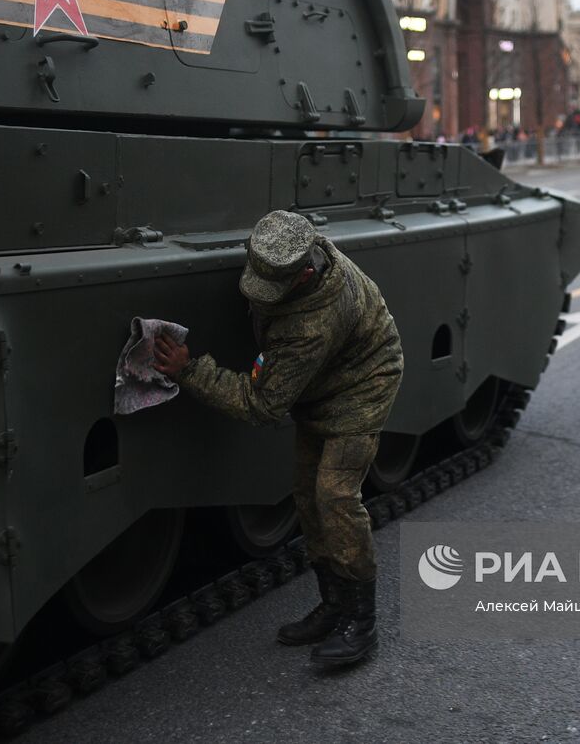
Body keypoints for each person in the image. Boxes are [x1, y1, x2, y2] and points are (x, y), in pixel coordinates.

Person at [153, 210, 404, 666]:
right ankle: (332, 604)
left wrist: (190, 370)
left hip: (362, 386)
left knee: (335, 497)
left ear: (305, 273)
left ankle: (361, 622)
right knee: (306, 496)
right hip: (323, 383)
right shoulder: (300, 249)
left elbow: (261, 405)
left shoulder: (313, 325)